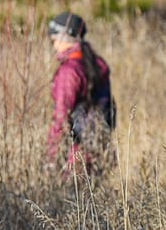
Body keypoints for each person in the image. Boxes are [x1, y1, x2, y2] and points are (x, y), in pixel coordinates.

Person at [46, 12, 115, 173]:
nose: (54, 46)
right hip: (101, 149)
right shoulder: (96, 63)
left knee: (73, 198)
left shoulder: (70, 72)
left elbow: (61, 116)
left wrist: (51, 157)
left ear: (65, 37)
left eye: (55, 40)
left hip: (76, 157)